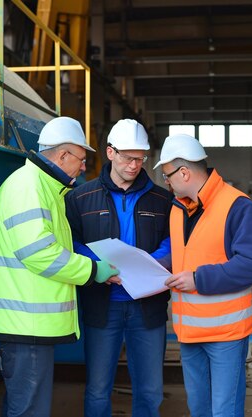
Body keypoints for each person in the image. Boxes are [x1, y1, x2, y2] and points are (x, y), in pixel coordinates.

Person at [0, 116, 120, 417]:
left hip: (29, 325)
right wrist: (92, 271)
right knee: (30, 410)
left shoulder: (46, 188)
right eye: (81, 160)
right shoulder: (28, 188)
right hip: (26, 324)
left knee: (24, 406)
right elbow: (40, 253)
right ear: (62, 156)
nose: (83, 167)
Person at [65, 119, 172, 417]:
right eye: (128, 157)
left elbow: (173, 240)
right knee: (98, 389)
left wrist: (155, 263)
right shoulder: (80, 198)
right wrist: (98, 265)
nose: (135, 165)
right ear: (110, 153)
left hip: (147, 306)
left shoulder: (163, 200)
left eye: (141, 159)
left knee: (150, 391)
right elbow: (70, 241)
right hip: (102, 305)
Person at [155, 133, 252, 417]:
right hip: (189, 333)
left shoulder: (238, 206)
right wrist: (158, 265)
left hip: (225, 334)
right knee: (200, 409)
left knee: (224, 412)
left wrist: (197, 279)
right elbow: (189, 253)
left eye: (167, 175)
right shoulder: (178, 209)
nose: (165, 182)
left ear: (184, 172)